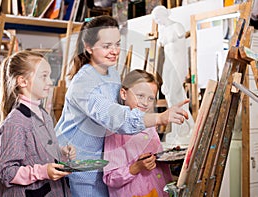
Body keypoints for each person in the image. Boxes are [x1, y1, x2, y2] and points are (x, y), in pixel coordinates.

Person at [55, 15, 189, 197]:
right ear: (88, 47)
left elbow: (124, 107)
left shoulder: (111, 73)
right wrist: (159, 117)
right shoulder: (83, 83)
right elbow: (114, 116)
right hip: (83, 167)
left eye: (117, 44)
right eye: (106, 46)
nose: (115, 51)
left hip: (105, 162)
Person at [0, 50, 75, 196]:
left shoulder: (44, 115)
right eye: (43, 76)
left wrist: (61, 153)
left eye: (49, 76)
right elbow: (6, 172)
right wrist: (43, 171)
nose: (50, 82)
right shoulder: (15, 123)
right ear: (23, 81)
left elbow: (37, 154)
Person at [103, 69, 172, 197]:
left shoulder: (150, 125)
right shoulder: (116, 130)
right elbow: (110, 177)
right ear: (124, 94)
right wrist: (137, 167)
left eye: (150, 98)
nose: (145, 103)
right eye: (140, 96)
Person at [152, 5, 194, 145]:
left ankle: (186, 127)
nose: (157, 21)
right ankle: (178, 129)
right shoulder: (163, 30)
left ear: (164, 15)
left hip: (178, 63)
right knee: (169, 93)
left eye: (158, 18)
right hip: (168, 64)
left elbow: (181, 49)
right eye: (155, 19)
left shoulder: (177, 27)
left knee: (177, 94)